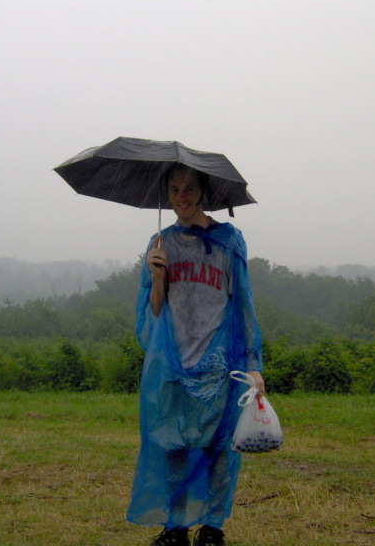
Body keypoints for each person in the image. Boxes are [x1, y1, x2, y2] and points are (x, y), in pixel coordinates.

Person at [127, 164, 264, 546]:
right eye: (173, 190)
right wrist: (157, 277)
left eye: (189, 189)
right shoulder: (160, 242)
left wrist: (253, 364)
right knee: (172, 445)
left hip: (220, 365)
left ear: (203, 191)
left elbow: (243, 303)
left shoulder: (229, 241)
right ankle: (175, 527)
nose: (181, 198)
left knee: (218, 448)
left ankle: (212, 528)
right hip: (173, 365)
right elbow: (153, 311)